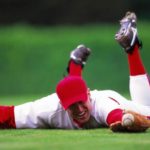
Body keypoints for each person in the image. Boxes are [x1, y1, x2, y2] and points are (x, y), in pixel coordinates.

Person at [0, 11, 150, 132]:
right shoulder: (49, 109)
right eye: (71, 105)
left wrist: (126, 120)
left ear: (89, 93)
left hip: (113, 99)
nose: (79, 109)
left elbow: (115, 115)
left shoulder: (102, 104)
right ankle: (76, 64)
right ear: (63, 105)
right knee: (73, 90)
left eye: (81, 101)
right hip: (72, 95)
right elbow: (8, 116)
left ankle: (131, 49)